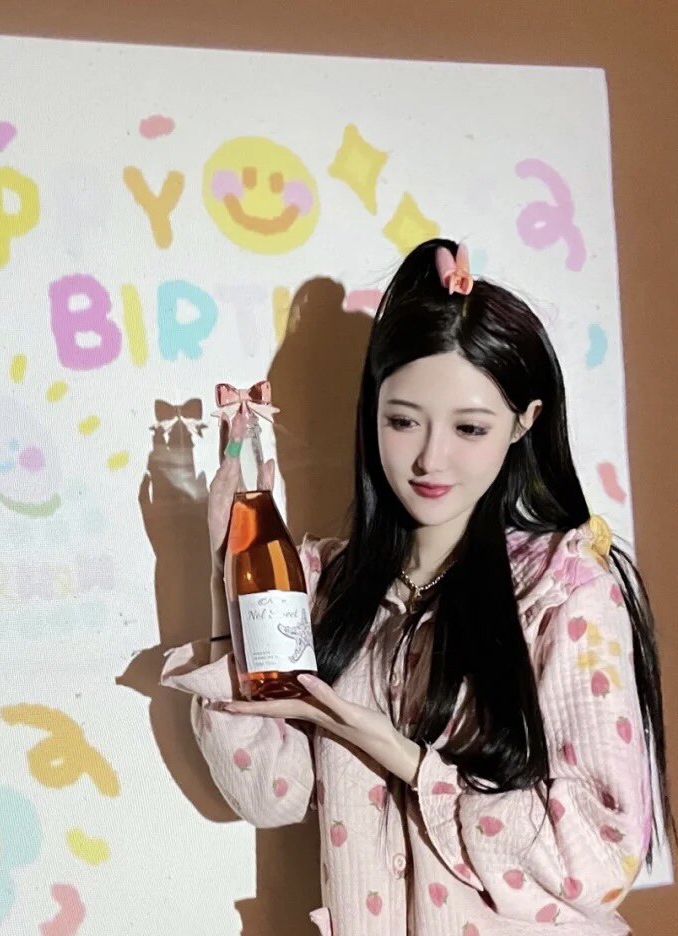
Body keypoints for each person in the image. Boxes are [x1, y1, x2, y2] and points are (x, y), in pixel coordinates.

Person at [161, 239, 673, 935]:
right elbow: (268, 794)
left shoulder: (564, 588)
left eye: (470, 428)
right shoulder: (331, 588)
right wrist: (233, 578)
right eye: (403, 421)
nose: (432, 458)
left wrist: (400, 756)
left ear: (523, 423)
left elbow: (599, 854)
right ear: (372, 412)